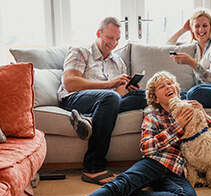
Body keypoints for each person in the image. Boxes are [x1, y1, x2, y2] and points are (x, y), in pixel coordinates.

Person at [84, 71, 211, 196]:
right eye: (162, 86)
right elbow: (146, 148)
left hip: (177, 169)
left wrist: (205, 116)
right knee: (122, 184)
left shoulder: (193, 113)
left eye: (170, 83)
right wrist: (177, 126)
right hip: (153, 163)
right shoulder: (152, 118)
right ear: (156, 99)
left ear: (177, 90)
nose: (168, 87)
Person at [57, 17, 147, 185]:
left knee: (144, 95)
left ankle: (90, 118)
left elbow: (118, 96)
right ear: (99, 33)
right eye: (110, 37)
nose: (114, 43)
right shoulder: (80, 51)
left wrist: (128, 89)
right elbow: (70, 83)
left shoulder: (118, 61)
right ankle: (93, 167)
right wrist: (109, 85)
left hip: (106, 103)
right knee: (110, 97)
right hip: (74, 98)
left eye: (117, 39)